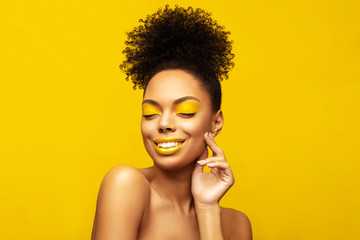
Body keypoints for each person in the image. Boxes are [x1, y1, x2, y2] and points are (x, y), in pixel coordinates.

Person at [92, 5, 252, 240]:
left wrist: (207, 208)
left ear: (215, 122)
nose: (164, 123)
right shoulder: (125, 186)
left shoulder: (236, 225)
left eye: (185, 111)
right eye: (150, 113)